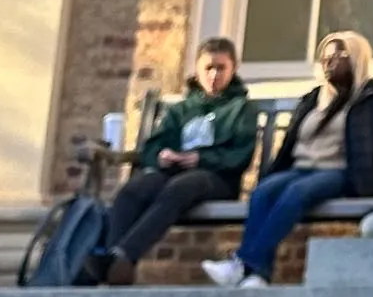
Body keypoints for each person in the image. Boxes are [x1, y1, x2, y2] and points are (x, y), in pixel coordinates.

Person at [202, 30, 373, 287]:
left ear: (356, 59)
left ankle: (244, 266)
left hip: (341, 171)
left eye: (339, 56)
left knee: (296, 193)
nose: (330, 62)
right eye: (325, 57)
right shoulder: (312, 99)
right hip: (301, 168)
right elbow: (292, 144)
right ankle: (257, 274)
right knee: (264, 191)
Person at [84, 37, 259, 282]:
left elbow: (240, 155)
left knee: (180, 187)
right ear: (197, 70)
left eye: (221, 68)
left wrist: (200, 158)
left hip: (216, 179)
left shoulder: (241, 109)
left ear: (233, 69)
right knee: (133, 190)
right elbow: (154, 146)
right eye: (208, 68)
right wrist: (162, 156)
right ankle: (115, 261)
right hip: (172, 173)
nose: (214, 75)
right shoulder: (181, 109)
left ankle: (124, 255)